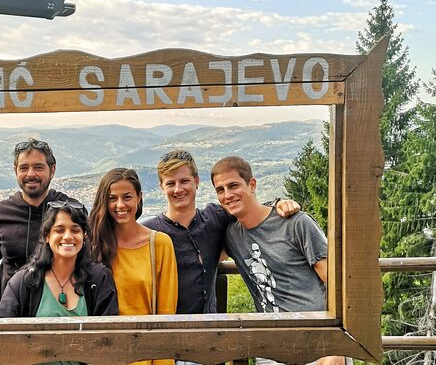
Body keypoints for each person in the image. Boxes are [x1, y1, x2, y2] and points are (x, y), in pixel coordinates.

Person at [211, 156, 346, 365]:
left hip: (317, 343)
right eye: (220, 190)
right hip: (272, 348)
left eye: (233, 185)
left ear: (252, 184)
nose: (227, 195)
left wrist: (335, 345)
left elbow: (337, 285)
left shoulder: (296, 223)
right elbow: (202, 256)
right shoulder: (232, 235)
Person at [142, 149, 301, 316]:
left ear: (196, 181)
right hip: (168, 327)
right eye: (170, 183)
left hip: (211, 326)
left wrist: (277, 204)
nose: (178, 189)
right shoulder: (149, 232)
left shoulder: (215, 219)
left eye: (184, 181)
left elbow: (249, 209)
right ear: (161, 187)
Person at [0, 201, 119, 365]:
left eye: (75, 230)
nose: (68, 236)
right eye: (59, 230)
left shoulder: (99, 279)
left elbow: (109, 341)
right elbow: (3, 339)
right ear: (47, 236)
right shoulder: (24, 283)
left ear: (84, 236)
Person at [88, 168, 177, 365]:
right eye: (112, 198)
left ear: (139, 198)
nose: (120, 205)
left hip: (144, 356)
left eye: (127, 197)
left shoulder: (159, 244)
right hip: (102, 355)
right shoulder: (94, 245)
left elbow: (166, 315)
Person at [0, 138, 86, 290]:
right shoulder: (1, 214)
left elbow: (87, 260)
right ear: (15, 171)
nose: (31, 174)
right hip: (12, 301)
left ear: (52, 170)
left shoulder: (70, 210)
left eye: (38, 167)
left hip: (62, 300)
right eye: (24, 168)